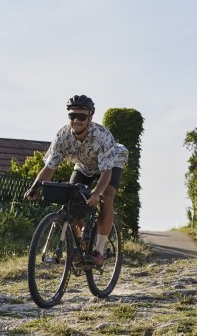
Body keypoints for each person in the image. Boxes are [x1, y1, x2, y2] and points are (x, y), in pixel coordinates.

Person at [24, 94, 128, 267]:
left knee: (106, 198)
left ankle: (99, 252)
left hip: (111, 165)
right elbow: (50, 167)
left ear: (90, 117)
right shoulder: (62, 136)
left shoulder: (102, 136)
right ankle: (83, 243)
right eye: (72, 116)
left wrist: (96, 193)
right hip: (84, 166)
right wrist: (34, 187)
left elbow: (106, 173)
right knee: (72, 199)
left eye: (81, 116)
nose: (76, 120)